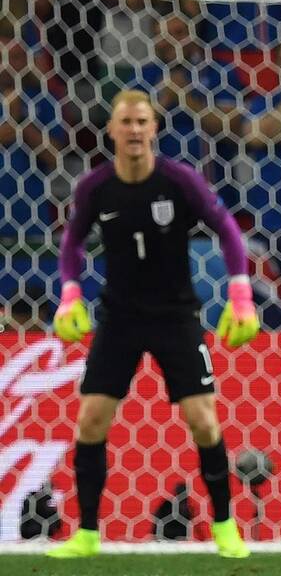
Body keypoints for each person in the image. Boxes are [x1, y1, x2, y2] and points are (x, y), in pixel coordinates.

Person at [46, 90, 259, 559]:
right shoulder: (95, 187)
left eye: (143, 121)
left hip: (175, 316)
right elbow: (71, 245)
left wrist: (240, 292)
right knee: (91, 419)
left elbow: (226, 229)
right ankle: (85, 534)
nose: (135, 130)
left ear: (155, 128)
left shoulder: (179, 181)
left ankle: (224, 525)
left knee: (203, 421)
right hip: (119, 317)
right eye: (127, 122)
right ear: (112, 130)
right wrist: (70, 294)